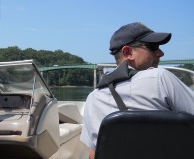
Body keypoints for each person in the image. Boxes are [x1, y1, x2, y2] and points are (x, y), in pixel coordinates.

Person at [80, 22, 194, 159]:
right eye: (153, 47)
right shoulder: (160, 78)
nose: (160, 53)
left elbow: (94, 154)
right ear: (128, 52)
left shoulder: (93, 98)